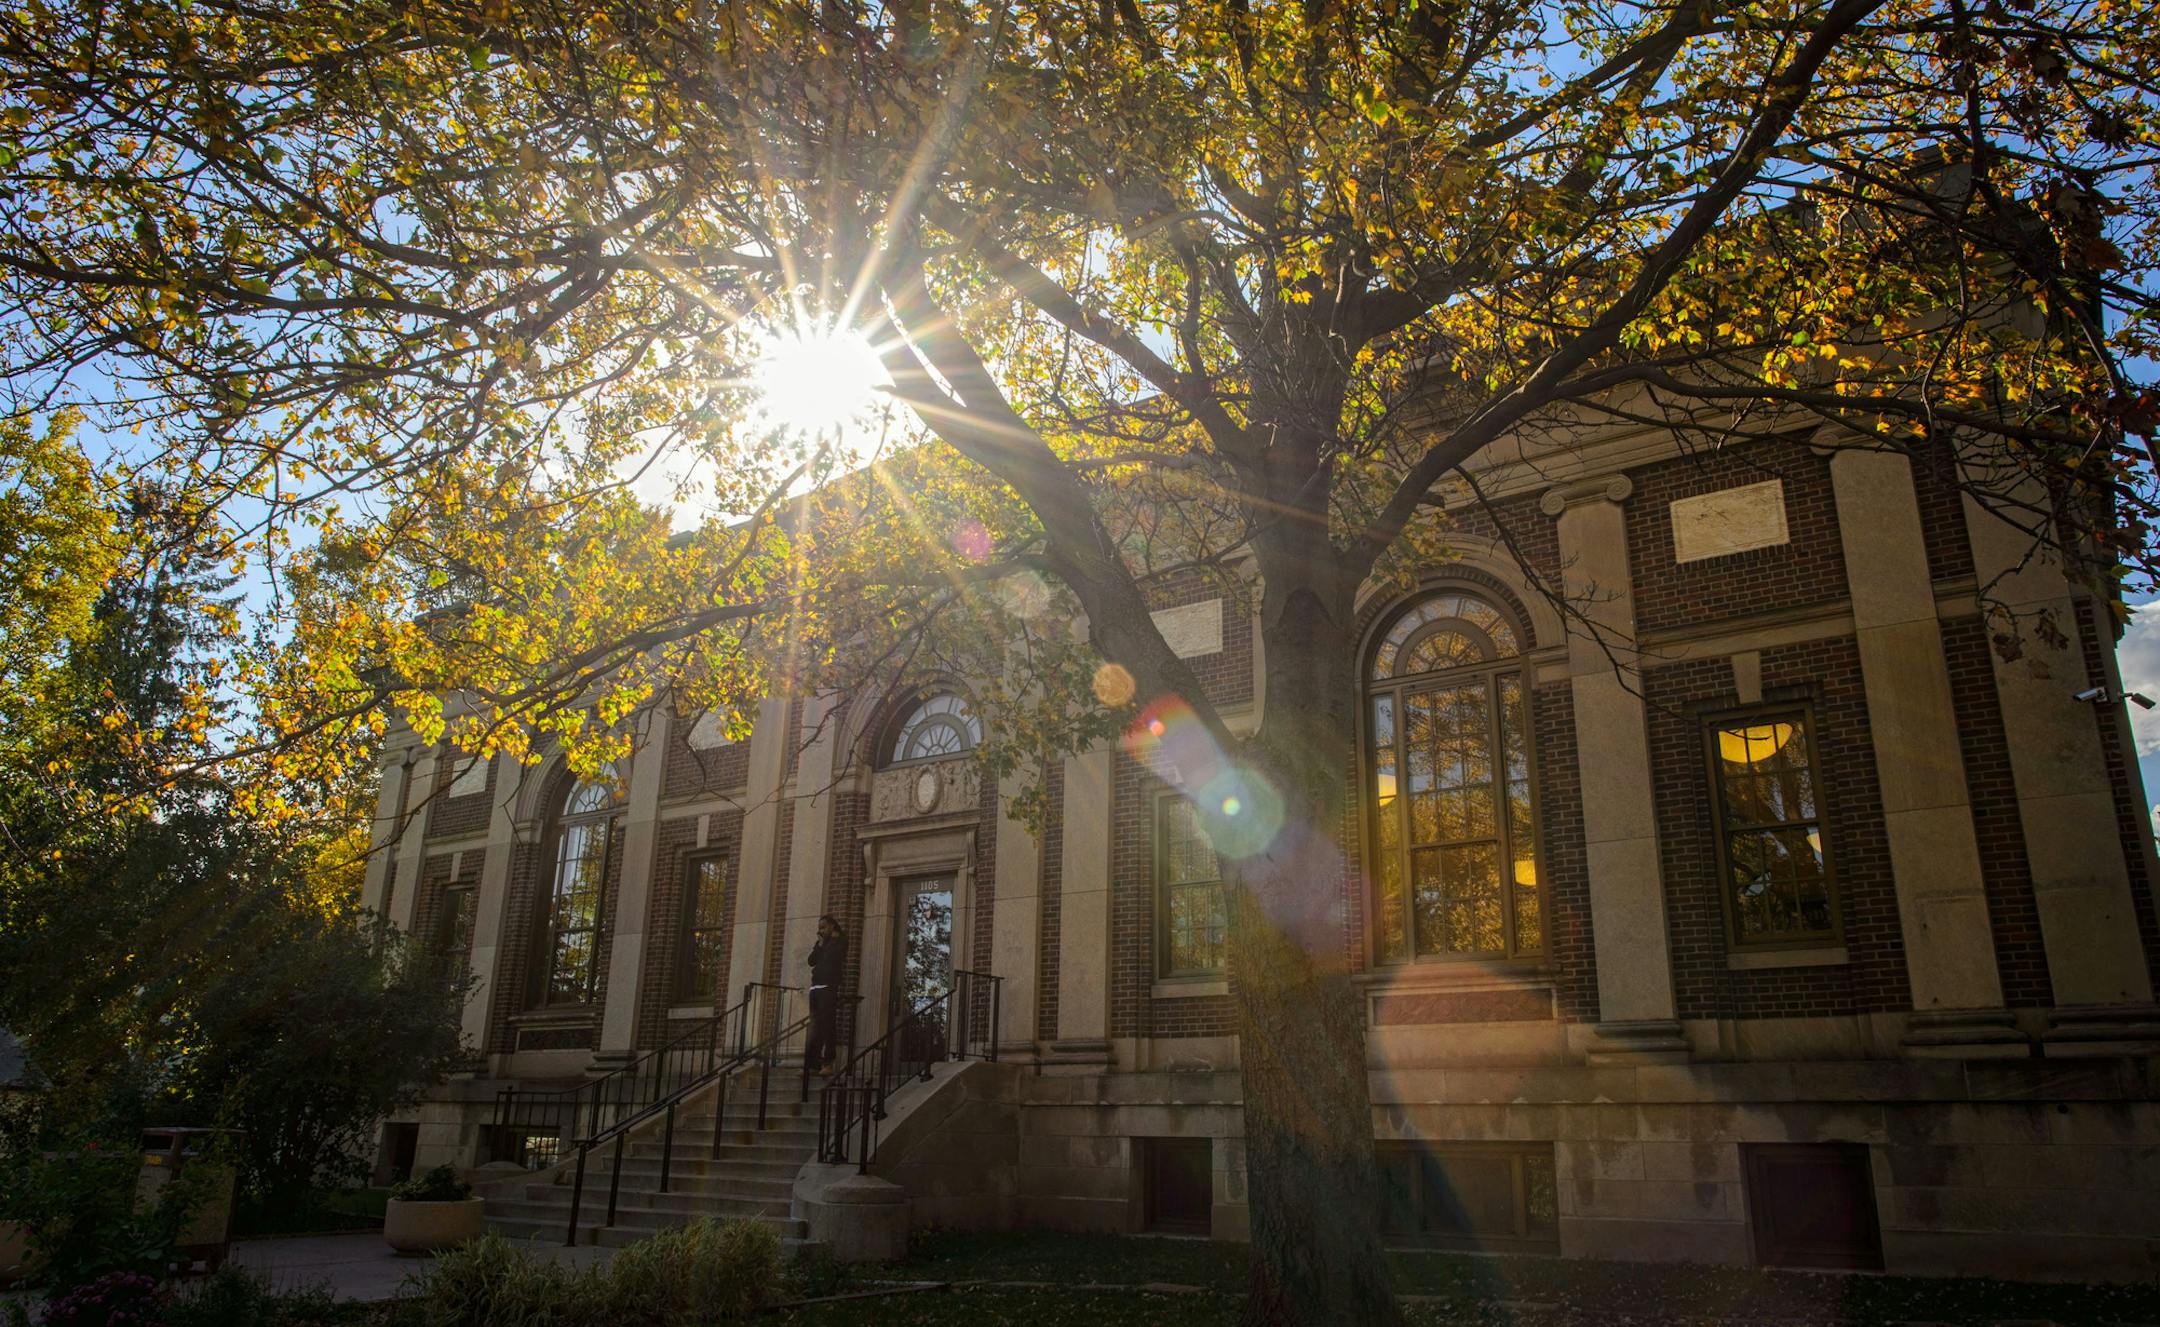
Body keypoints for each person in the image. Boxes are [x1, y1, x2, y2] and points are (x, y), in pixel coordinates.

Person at [804, 915, 847, 1073]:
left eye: (823, 927)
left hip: (828, 988)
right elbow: (811, 961)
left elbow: (833, 959)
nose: (820, 931)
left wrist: (827, 944)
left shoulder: (840, 941)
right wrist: (821, 944)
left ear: (832, 927)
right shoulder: (821, 943)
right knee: (815, 1027)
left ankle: (828, 1062)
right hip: (815, 988)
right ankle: (812, 1064)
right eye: (819, 928)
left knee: (828, 1025)